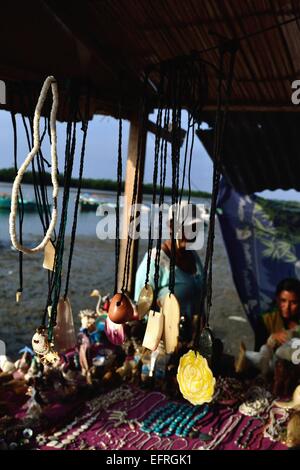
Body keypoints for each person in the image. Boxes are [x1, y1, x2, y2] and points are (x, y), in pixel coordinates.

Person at [134, 201, 204, 341]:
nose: (193, 233)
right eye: (188, 227)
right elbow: (141, 308)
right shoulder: (155, 260)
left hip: (191, 337)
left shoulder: (194, 256)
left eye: (195, 227)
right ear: (171, 226)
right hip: (163, 341)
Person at [235, 278, 300, 375]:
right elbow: (260, 353)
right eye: (283, 301)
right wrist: (271, 339)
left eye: (293, 302)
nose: (287, 307)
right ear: (277, 299)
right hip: (274, 373)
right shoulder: (266, 320)